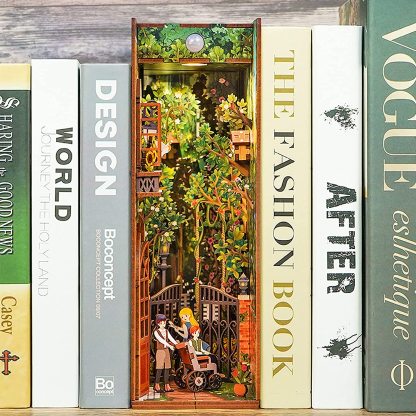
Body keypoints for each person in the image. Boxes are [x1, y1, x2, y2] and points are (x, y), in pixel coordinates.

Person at [153, 314, 178, 393]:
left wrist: (177, 344)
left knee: (167, 368)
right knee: (159, 368)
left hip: (166, 350)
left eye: (164, 323)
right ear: (158, 323)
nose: (163, 324)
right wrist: (170, 346)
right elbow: (162, 340)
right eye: (161, 323)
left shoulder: (166, 331)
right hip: (160, 351)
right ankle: (156, 385)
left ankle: (167, 385)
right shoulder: (156, 332)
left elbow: (171, 338)